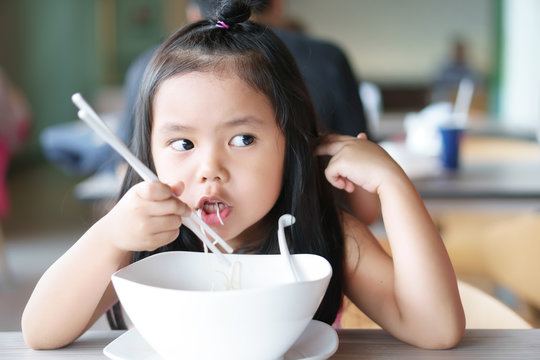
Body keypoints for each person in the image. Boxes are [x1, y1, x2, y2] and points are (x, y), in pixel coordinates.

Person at [21, 0, 465, 351]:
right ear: (149, 153)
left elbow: (437, 329)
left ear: (290, 144)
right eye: (183, 145)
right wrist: (111, 235)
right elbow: (40, 333)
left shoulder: (327, 236)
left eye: (243, 140)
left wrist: (394, 183)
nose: (210, 169)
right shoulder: (144, 244)